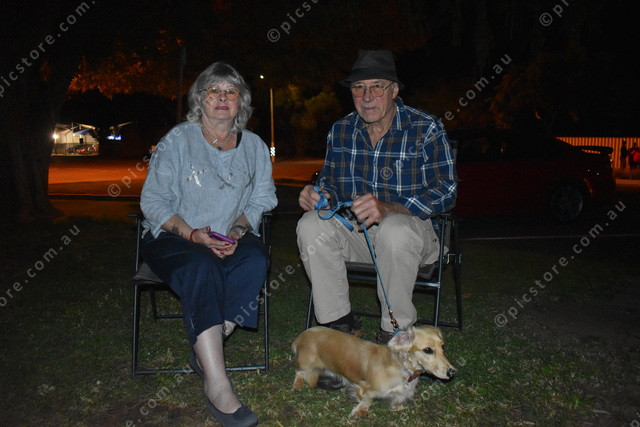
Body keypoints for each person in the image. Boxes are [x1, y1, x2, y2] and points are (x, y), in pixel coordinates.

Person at [140, 61, 276, 426]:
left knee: (255, 260)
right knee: (203, 264)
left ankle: (205, 348)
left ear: (241, 101)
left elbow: (262, 199)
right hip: (175, 235)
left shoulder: (255, 146)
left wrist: (237, 231)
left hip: (228, 234)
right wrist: (192, 235)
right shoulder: (178, 140)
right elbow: (153, 200)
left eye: (231, 91)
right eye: (213, 90)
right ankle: (218, 384)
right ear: (200, 98)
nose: (222, 97)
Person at [297, 50, 457, 348]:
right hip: (359, 236)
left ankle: (394, 334)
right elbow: (330, 182)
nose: (367, 96)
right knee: (310, 224)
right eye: (359, 87)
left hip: (413, 237)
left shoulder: (426, 128)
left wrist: (391, 208)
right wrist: (319, 194)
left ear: (394, 90)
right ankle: (339, 326)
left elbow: (446, 190)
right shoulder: (341, 131)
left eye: (377, 87)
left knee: (394, 228)